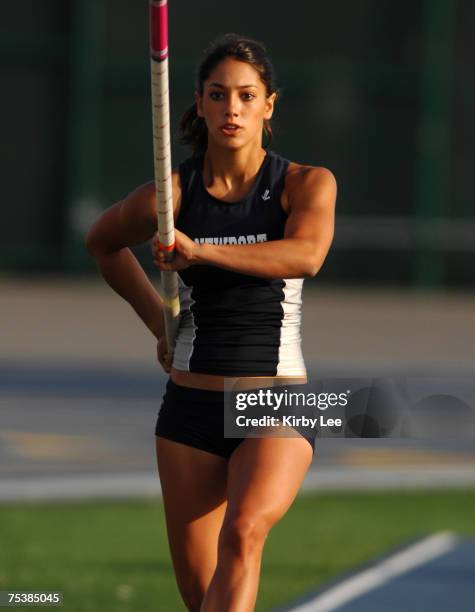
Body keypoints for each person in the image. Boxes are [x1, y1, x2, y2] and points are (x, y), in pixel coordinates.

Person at [86, 33, 336, 612]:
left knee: (244, 532)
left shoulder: (305, 183)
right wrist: (159, 323)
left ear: (269, 104)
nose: (233, 109)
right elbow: (101, 244)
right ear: (198, 103)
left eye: (247, 96)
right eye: (219, 95)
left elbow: (306, 256)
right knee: (203, 600)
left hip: (278, 400)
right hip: (189, 411)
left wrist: (200, 253)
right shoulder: (171, 196)